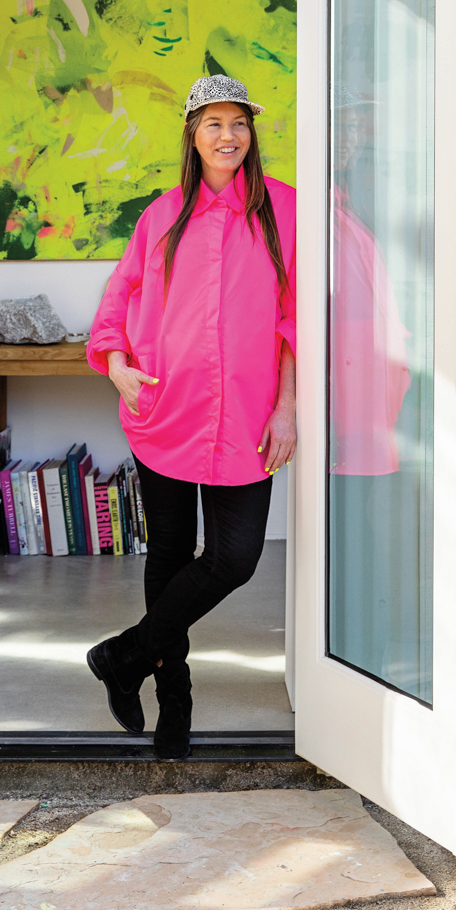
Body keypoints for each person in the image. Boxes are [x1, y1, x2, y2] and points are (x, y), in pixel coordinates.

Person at [85, 74, 296, 760]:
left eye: (239, 123)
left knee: (234, 558)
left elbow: (298, 323)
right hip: (165, 410)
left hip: (247, 420)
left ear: (251, 133)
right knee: (169, 557)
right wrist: (115, 365)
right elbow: (119, 297)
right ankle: (173, 695)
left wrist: (289, 407)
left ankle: (123, 656)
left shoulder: (284, 213)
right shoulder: (162, 215)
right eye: (214, 124)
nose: (228, 135)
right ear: (192, 134)